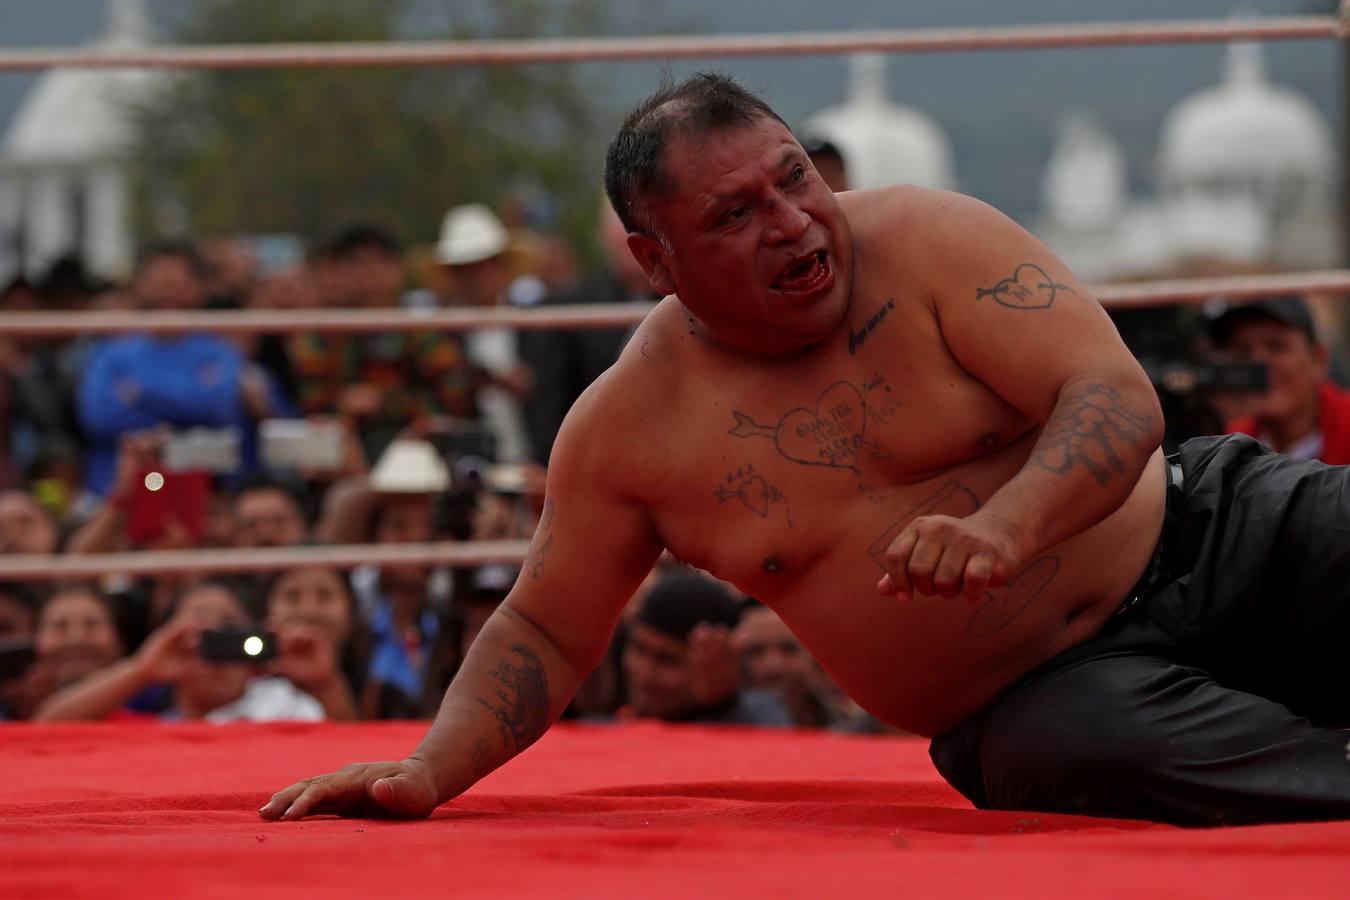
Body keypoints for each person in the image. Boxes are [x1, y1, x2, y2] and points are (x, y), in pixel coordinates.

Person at [262, 73, 1350, 827]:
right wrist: (427, 772)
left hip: (1207, 528)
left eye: (796, 178)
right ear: (656, 258)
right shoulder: (630, 429)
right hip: (1038, 700)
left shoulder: (930, 239)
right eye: (738, 213)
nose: (792, 222)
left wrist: (1004, 525)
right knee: (1086, 754)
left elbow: (1111, 395)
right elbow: (547, 627)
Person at [619, 572, 791, 726]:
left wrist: (720, 703)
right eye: (639, 649)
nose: (644, 674)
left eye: (667, 659)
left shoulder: (761, 719)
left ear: (717, 663)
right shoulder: (609, 714)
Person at [1209, 295, 1350, 464]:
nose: (1259, 363)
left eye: (1277, 346)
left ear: (1318, 359)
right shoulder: (1228, 449)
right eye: (1243, 351)